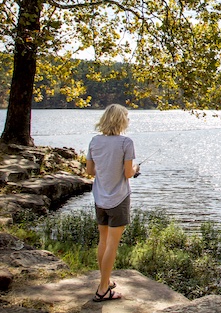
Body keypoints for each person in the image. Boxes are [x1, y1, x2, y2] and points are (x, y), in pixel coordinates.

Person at [85, 104, 139, 302]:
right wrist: (135, 168)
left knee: (103, 240)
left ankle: (105, 280)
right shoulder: (126, 143)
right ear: (121, 120)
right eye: (126, 118)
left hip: (100, 197)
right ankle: (102, 289)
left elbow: (90, 171)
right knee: (112, 245)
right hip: (119, 199)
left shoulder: (94, 141)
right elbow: (127, 173)